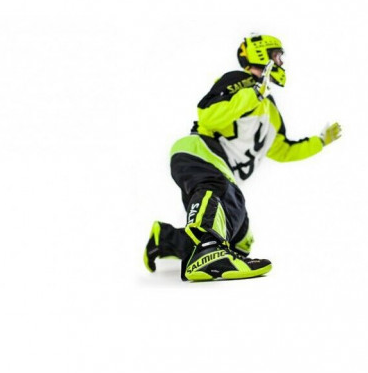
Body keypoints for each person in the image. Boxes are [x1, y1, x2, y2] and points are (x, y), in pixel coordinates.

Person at [144, 34, 342, 282]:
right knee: (218, 191)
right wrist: (253, 94)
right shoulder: (239, 81)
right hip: (199, 152)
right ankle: (206, 252)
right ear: (261, 54)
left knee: (240, 239)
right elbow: (208, 116)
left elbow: (283, 150)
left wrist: (320, 141)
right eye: (277, 56)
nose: (281, 62)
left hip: (222, 171)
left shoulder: (270, 109)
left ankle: (166, 239)